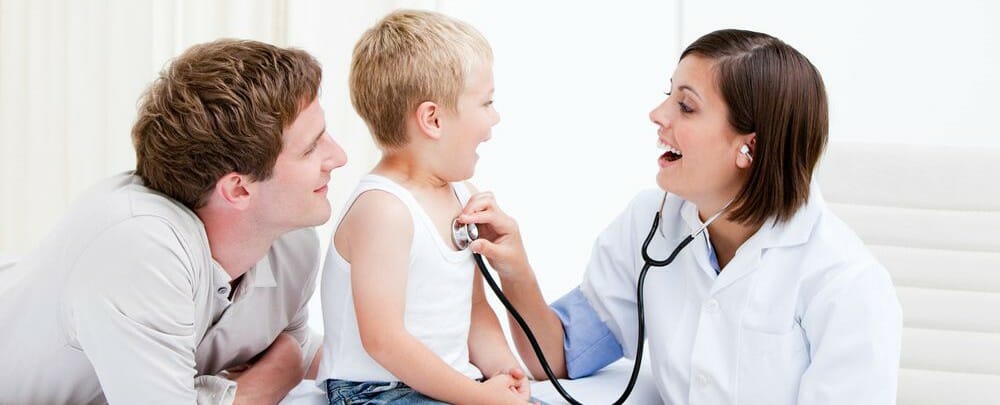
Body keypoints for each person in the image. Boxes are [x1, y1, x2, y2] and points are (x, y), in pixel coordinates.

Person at [459, 29, 902, 404]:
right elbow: (557, 358)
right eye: (667, 95)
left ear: (749, 146)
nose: (657, 115)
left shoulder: (845, 281)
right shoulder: (651, 221)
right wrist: (516, 271)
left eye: (686, 106)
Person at [0, 39, 347, 404]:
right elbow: (281, 363)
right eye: (311, 148)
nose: (339, 157)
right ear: (238, 190)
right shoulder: (139, 246)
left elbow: (290, 346)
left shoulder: (291, 243)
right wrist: (278, 377)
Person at [315, 9, 534, 405]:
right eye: (486, 103)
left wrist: (504, 370)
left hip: (445, 385)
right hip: (375, 392)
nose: (495, 118)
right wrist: (478, 397)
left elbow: (475, 309)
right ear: (432, 118)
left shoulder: (461, 195)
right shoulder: (384, 210)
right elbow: (384, 341)